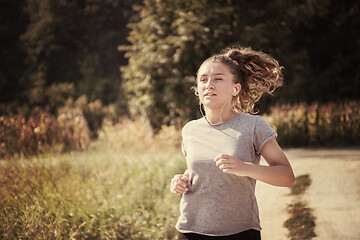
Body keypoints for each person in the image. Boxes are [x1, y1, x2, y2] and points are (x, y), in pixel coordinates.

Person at [170, 46, 295, 240]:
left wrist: (244, 167)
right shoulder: (190, 129)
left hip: (240, 232)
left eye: (218, 79)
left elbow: (287, 177)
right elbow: (199, 170)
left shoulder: (253, 125)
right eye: (203, 79)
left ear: (235, 88)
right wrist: (182, 180)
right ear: (197, 89)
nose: (209, 85)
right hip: (190, 229)